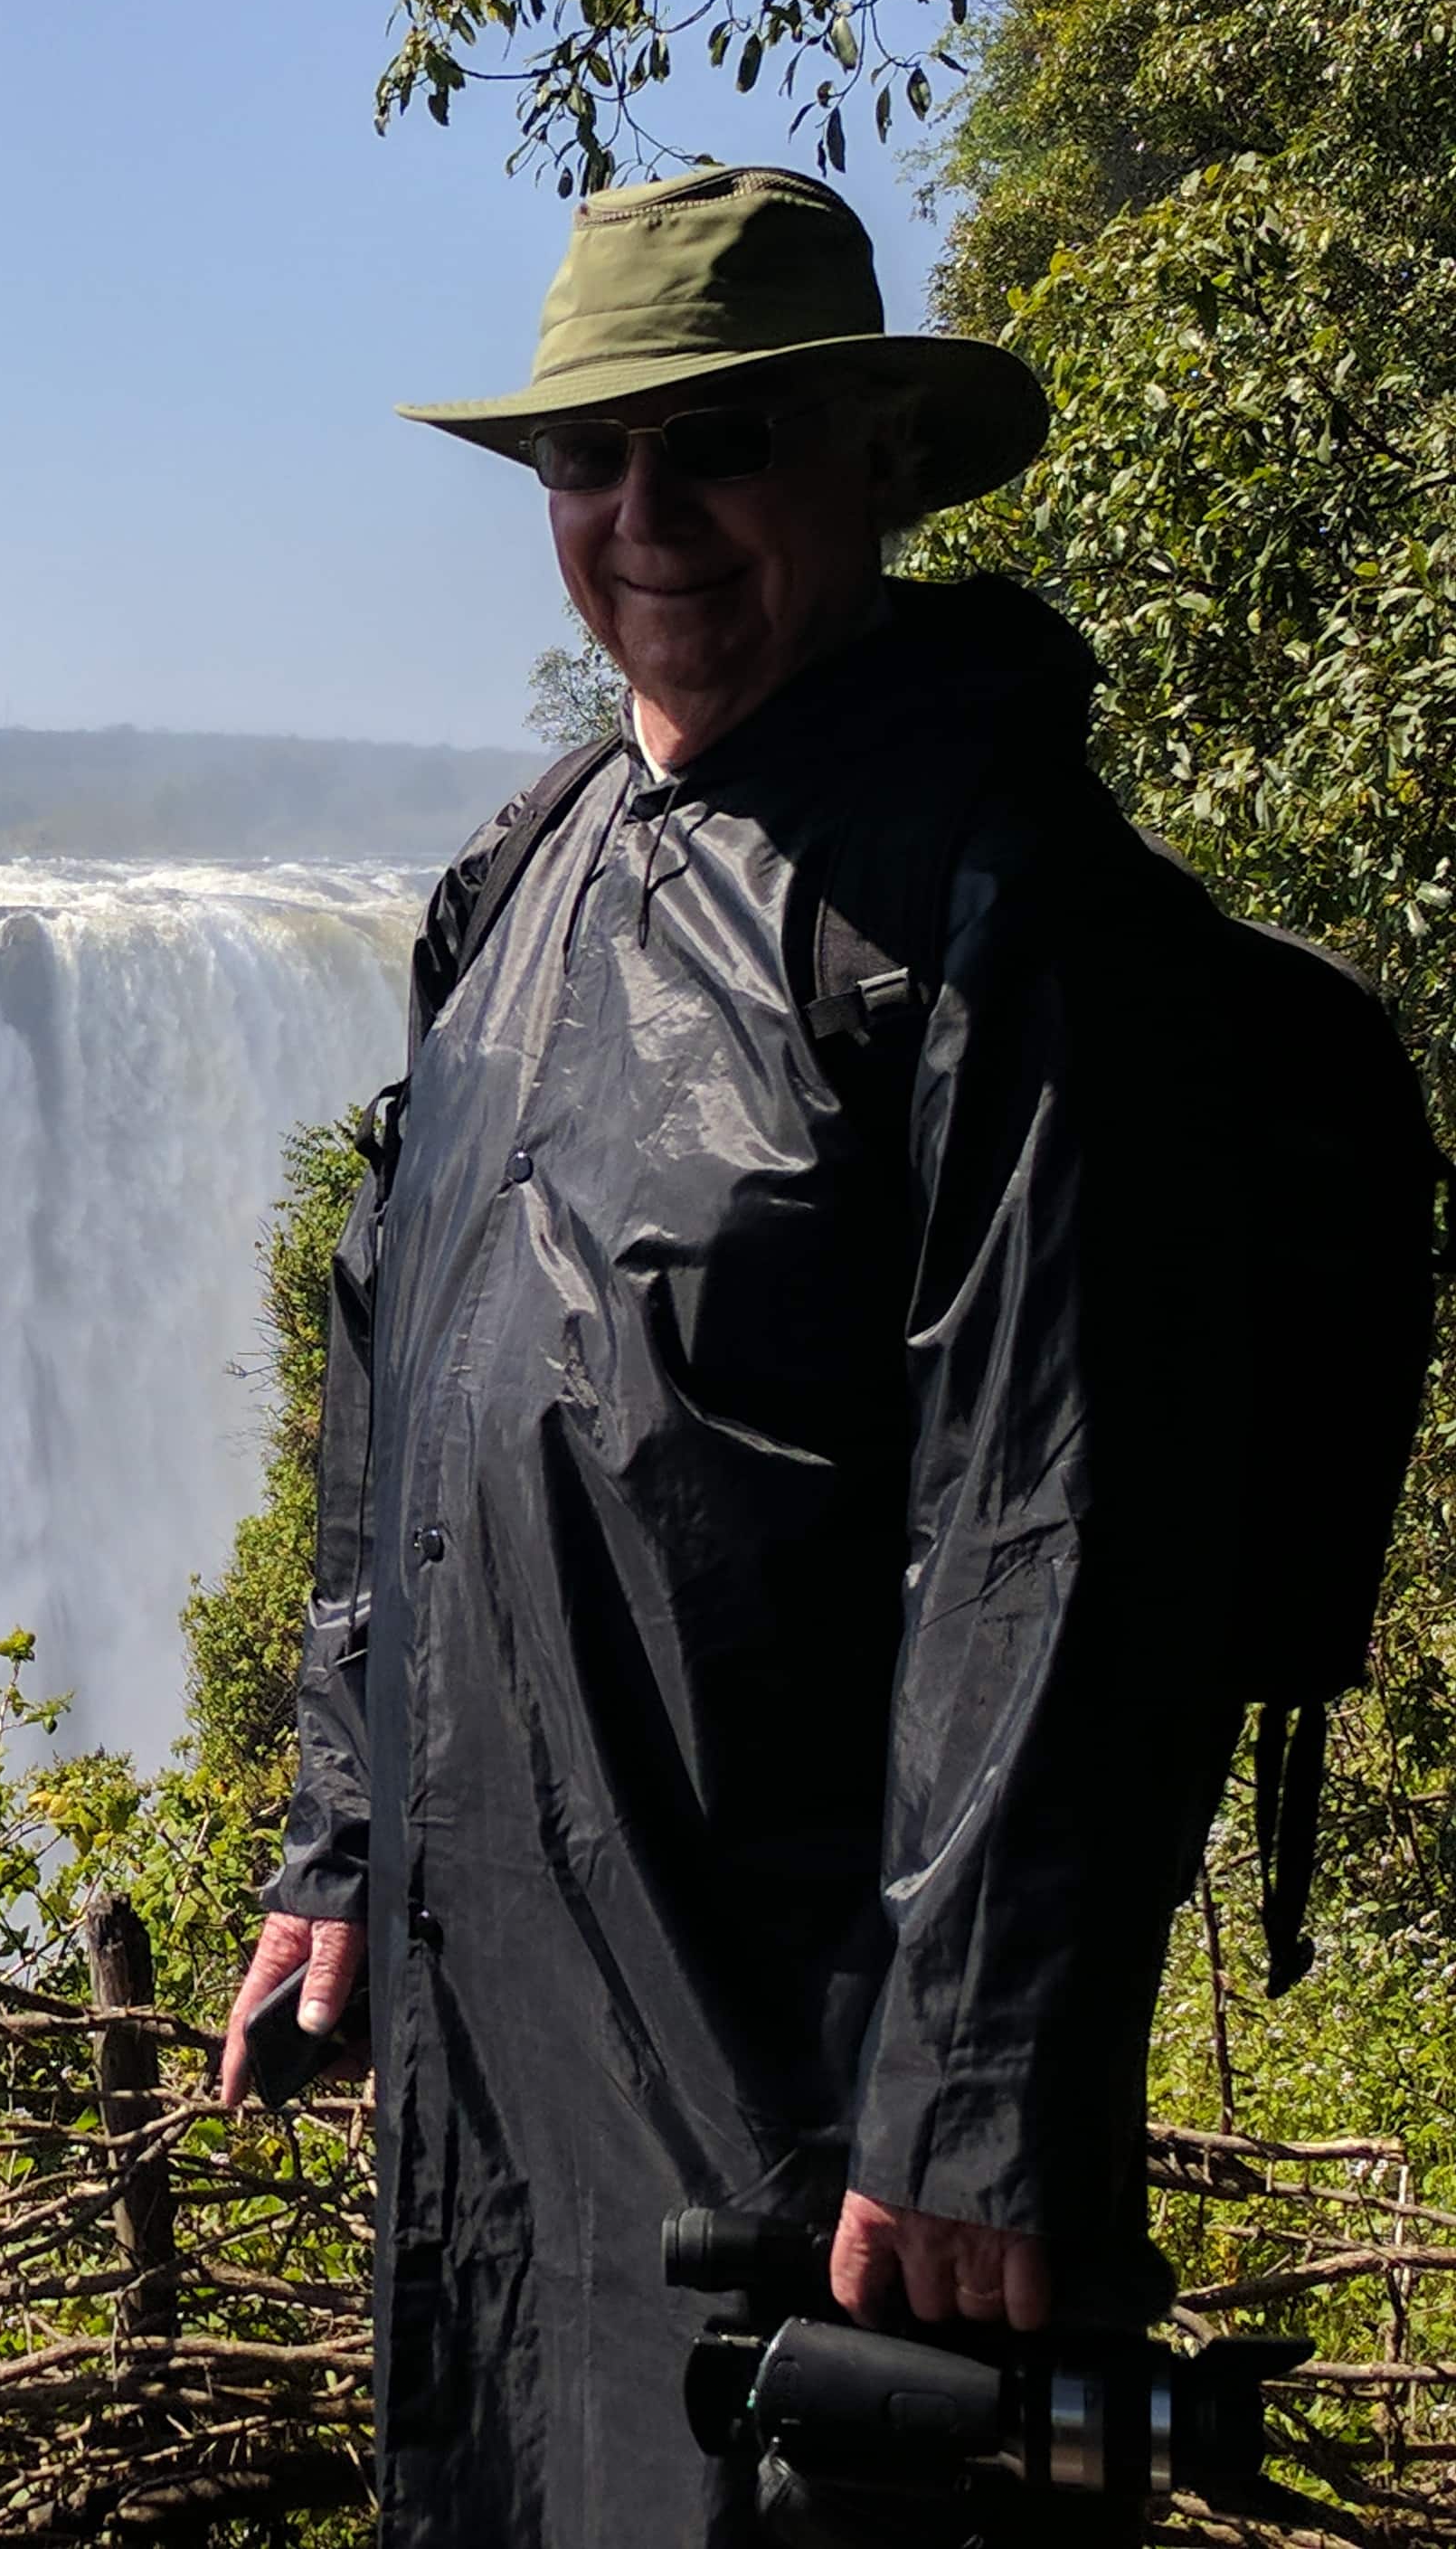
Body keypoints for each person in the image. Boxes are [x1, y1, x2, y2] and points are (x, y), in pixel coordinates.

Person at [222, 166, 1240, 2543]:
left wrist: (974, 2079)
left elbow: (1065, 1519)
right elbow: (396, 1369)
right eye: (595, 459)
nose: (645, 514)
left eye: (724, 443)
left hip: (811, 2081)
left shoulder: (995, 912)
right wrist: (348, 1833)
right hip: (512, 2038)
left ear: (876, 460)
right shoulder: (524, 874)